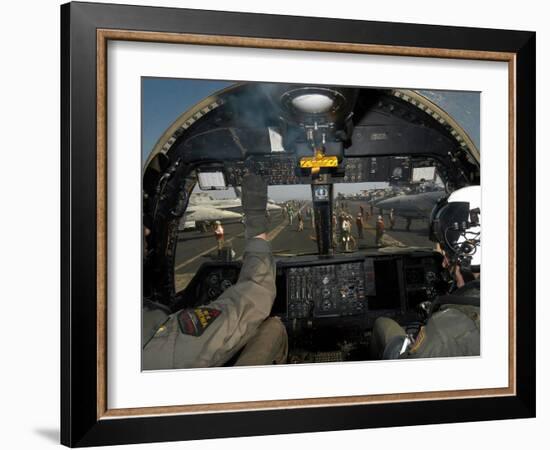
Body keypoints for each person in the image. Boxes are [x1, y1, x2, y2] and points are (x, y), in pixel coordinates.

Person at [142, 174, 288, 369]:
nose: (146, 231)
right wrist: (256, 222)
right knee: (273, 327)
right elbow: (255, 294)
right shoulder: (154, 342)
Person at [369, 185, 481, 360]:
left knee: (382, 324)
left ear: (469, 249)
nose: (444, 264)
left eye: (447, 254)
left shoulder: (444, 331)